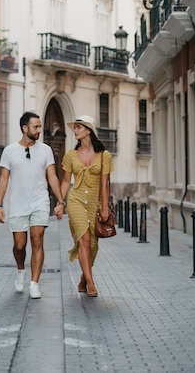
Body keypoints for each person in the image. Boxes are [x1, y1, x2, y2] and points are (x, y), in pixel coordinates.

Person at [0, 111, 66, 299]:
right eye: (36, 127)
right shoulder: (9, 151)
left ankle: (34, 283)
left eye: (40, 126)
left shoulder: (46, 150)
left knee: (37, 239)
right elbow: (3, 180)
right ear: (24, 128)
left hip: (39, 202)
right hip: (18, 204)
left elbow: (52, 176)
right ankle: (20, 270)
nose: (39, 130)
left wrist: (60, 201)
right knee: (19, 245)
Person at [60, 115, 114, 297]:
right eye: (74, 127)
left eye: (78, 127)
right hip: (75, 200)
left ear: (88, 130)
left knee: (92, 244)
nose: (75, 131)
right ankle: (91, 283)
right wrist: (61, 202)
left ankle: (84, 277)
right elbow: (66, 181)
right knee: (83, 239)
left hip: (94, 203)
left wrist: (105, 208)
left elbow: (105, 183)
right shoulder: (70, 155)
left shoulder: (104, 156)